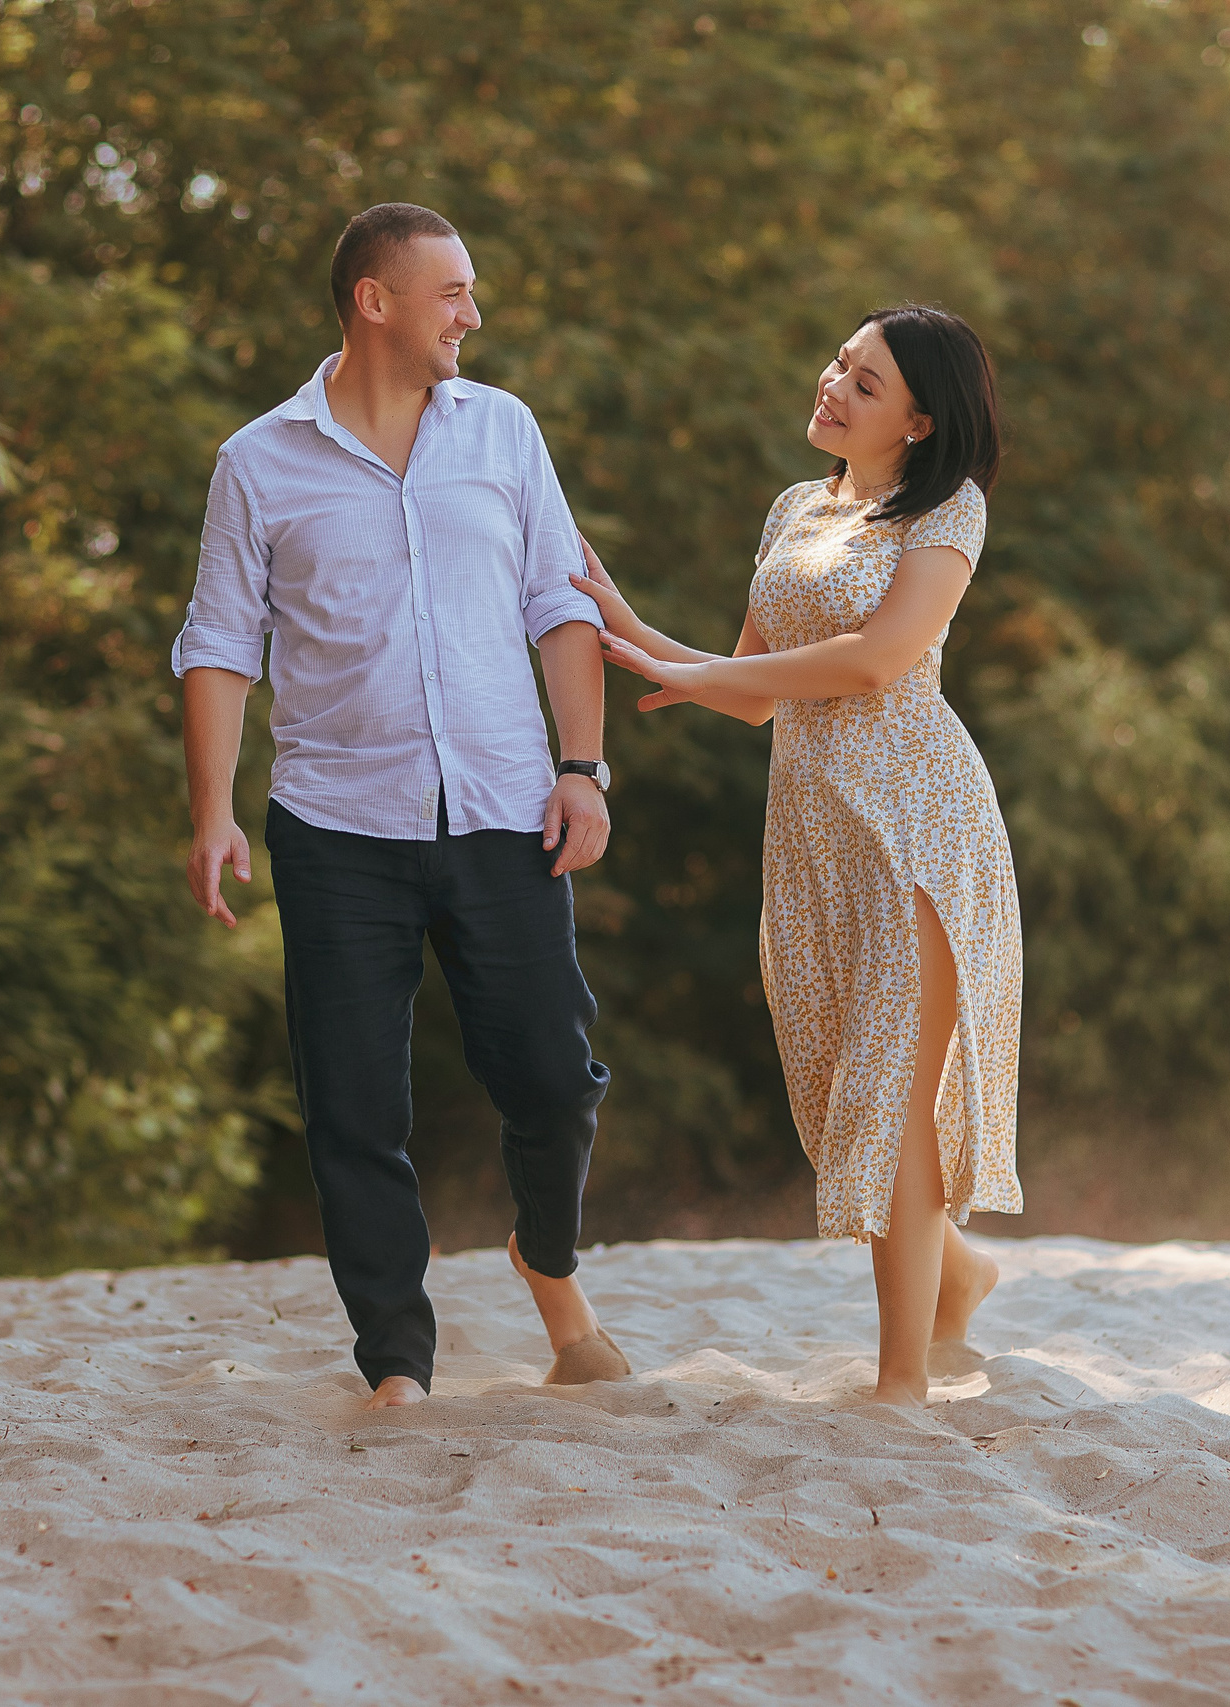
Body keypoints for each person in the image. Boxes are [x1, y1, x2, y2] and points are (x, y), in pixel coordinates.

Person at [173, 203, 629, 1410]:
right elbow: (218, 642)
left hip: (502, 809)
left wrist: (581, 769)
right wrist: (212, 810)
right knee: (354, 1107)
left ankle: (546, 1254)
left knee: (551, 1076)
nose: (472, 317)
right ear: (374, 301)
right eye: (452, 295)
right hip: (334, 829)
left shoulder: (505, 433)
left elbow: (560, 601)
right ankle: (396, 1361)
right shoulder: (257, 462)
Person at [571, 305, 1020, 1406]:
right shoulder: (792, 510)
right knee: (837, 1099)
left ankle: (900, 1382)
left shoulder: (946, 513)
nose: (832, 386)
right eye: (840, 364)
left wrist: (681, 674)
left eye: (865, 384)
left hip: (918, 823)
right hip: (812, 834)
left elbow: (876, 662)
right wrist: (626, 625)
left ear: (918, 420)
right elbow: (748, 694)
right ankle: (956, 1276)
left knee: (891, 1093)